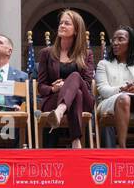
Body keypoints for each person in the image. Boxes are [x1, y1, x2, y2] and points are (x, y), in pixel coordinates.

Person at [36, 9, 95, 149]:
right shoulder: (46, 53)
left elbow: (86, 84)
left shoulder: (86, 54)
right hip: (53, 100)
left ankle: (61, 110)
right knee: (77, 95)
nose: (62, 26)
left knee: (75, 78)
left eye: (67, 23)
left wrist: (68, 85)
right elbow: (41, 87)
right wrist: (54, 88)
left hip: (82, 102)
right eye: (61, 23)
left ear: (76, 30)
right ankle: (76, 141)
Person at [96, 25, 134, 148]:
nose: (115, 43)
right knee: (124, 98)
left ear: (131, 43)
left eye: (120, 39)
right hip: (109, 102)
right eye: (114, 39)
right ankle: (122, 149)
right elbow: (102, 90)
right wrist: (121, 89)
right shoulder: (104, 64)